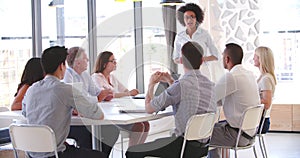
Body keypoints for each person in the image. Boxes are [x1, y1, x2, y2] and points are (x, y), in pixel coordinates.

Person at [126, 41, 217, 158]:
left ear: (182, 61)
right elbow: (185, 93)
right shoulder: (210, 85)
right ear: (201, 61)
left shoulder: (180, 85)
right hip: (202, 147)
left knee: (132, 151)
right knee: (159, 141)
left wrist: (151, 84)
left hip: (183, 148)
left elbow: (149, 108)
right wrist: (170, 81)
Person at [22, 46, 107, 158]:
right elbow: (98, 114)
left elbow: (25, 113)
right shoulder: (65, 90)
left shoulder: (32, 89)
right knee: (99, 156)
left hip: (33, 154)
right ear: (61, 66)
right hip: (55, 154)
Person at [63, 47, 119, 157]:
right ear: (77, 62)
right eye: (85, 59)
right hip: (71, 122)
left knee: (112, 130)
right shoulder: (67, 76)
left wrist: (104, 94)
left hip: (85, 116)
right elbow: (78, 99)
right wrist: (98, 98)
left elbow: (95, 92)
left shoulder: (85, 74)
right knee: (87, 133)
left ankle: (102, 155)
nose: (88, 61)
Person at [208, 43, 261, 158]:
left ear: (227, 59)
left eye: (223, 57)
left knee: (198, 133)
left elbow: (209, 99)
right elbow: (219, 100)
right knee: (212, 127)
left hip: (238, 136)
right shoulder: (250, 74)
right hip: (250, 134)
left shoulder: (231, 76)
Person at [91, 51, 150, 147]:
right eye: (112, 61)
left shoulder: (112, 77)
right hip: (107, 116)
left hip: (116, 111)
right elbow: (107, 96)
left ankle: (136, 154)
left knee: (146, 124)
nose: (115, 63)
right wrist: (127, 93)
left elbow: (125, 91)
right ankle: (130, 155)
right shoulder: (96, 78)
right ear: (104, 63)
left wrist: (130, 92)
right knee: (139, 126)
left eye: (115, 61)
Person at [173, 3, 221, 81]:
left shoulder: (205, 34)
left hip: (203, 72)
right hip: (186, 73)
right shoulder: (179, 36)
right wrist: (184, 60)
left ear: (197, 18)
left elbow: (215, 56)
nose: (189, 20)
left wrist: (200, 59)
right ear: (183, 19)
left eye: (192, 17)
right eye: (186, 17)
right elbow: (175, 58)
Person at [253, 46, 276, 134]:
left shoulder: (266, 79)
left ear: (261, 58)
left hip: (260, 122)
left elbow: (266, 103)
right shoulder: (264, 77)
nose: (253, 58)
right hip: (259, 120)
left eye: (255, 56)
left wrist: (249, 100)